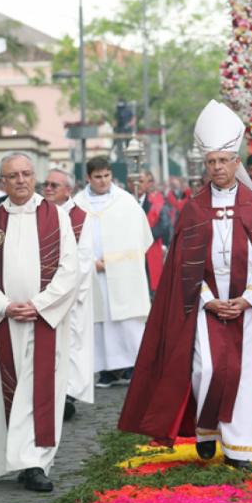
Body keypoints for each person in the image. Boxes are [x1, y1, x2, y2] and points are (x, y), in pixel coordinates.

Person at [118, 99, 252, 471]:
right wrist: (209, 300)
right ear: (207, 165)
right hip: (205, 307)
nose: (217, 168)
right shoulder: (195, 208)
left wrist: (248, 299)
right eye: (211, 162)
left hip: (249, 307)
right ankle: (206, 428)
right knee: (206, 371)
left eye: (223, 161)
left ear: (236, 162)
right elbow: (183, 268)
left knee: (247, 375)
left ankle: (241, 449)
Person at [0, 153, 82, 493]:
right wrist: (4, 306)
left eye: (26, 174)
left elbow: (70, 269)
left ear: (35, 177)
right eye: (13, 176)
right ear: (2, 182)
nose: (20, 180)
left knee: (38, 391)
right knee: (10, 389)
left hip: (43, 321)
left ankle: (35, 462)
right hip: (5, 323)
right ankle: (16, 460)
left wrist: (40, 305)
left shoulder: (57, 217)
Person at [71, 156, 153, 388]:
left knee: (126, 322)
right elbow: (69, 241)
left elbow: (142, 238)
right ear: (88, 178)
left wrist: (118, 260)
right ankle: (104, 371)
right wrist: (88, 262)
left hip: (123, 275)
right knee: (99, 323)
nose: (103, 181)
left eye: (106, 176)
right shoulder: (76, 205)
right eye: (97, 177)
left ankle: (131, 366)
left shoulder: (126, 202)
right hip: (91, 274)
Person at [40, 168, 94, 422]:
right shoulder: (37, 213)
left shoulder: (81, 218)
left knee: (70, 345)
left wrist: (63, 293)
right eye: (46, 184)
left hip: (70, 297)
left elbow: (83, 262)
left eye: (54, 185)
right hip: (40, 294)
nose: (48, 188)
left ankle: (67, 396)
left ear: (68, 190)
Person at [135, 170, 169, 293]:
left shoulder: (157, 201)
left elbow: (164, 225)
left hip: (151, 250)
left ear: (147, 184)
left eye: (141, 181)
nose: (137, 185)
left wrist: (143, 236)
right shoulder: (124, 201)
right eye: (134, 181)